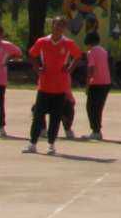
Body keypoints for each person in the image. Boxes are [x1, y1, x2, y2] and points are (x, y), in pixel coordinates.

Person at [26, 21, 80, 154]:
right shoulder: (42, 41)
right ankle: (32, 144)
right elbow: (32, 54)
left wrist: (69, 69)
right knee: (38, 116)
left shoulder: (68, 43)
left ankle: (51, 145)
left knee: (55, 117)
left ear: (64, 28)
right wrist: (37, 69)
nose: (58, 29)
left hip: (60, 87)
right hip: (44, 85)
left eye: (61, 26)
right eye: (56, 26)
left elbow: (78, 56)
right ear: (52, 26)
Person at [81, 30, 113, 139]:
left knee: (91, 107)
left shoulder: (91, 52)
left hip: (96, 83)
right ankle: (97, 130)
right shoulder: (104, 51)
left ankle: (95, 130)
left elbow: (91, 68)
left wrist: (87, 85)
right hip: (106, 82)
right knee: (99, 107)